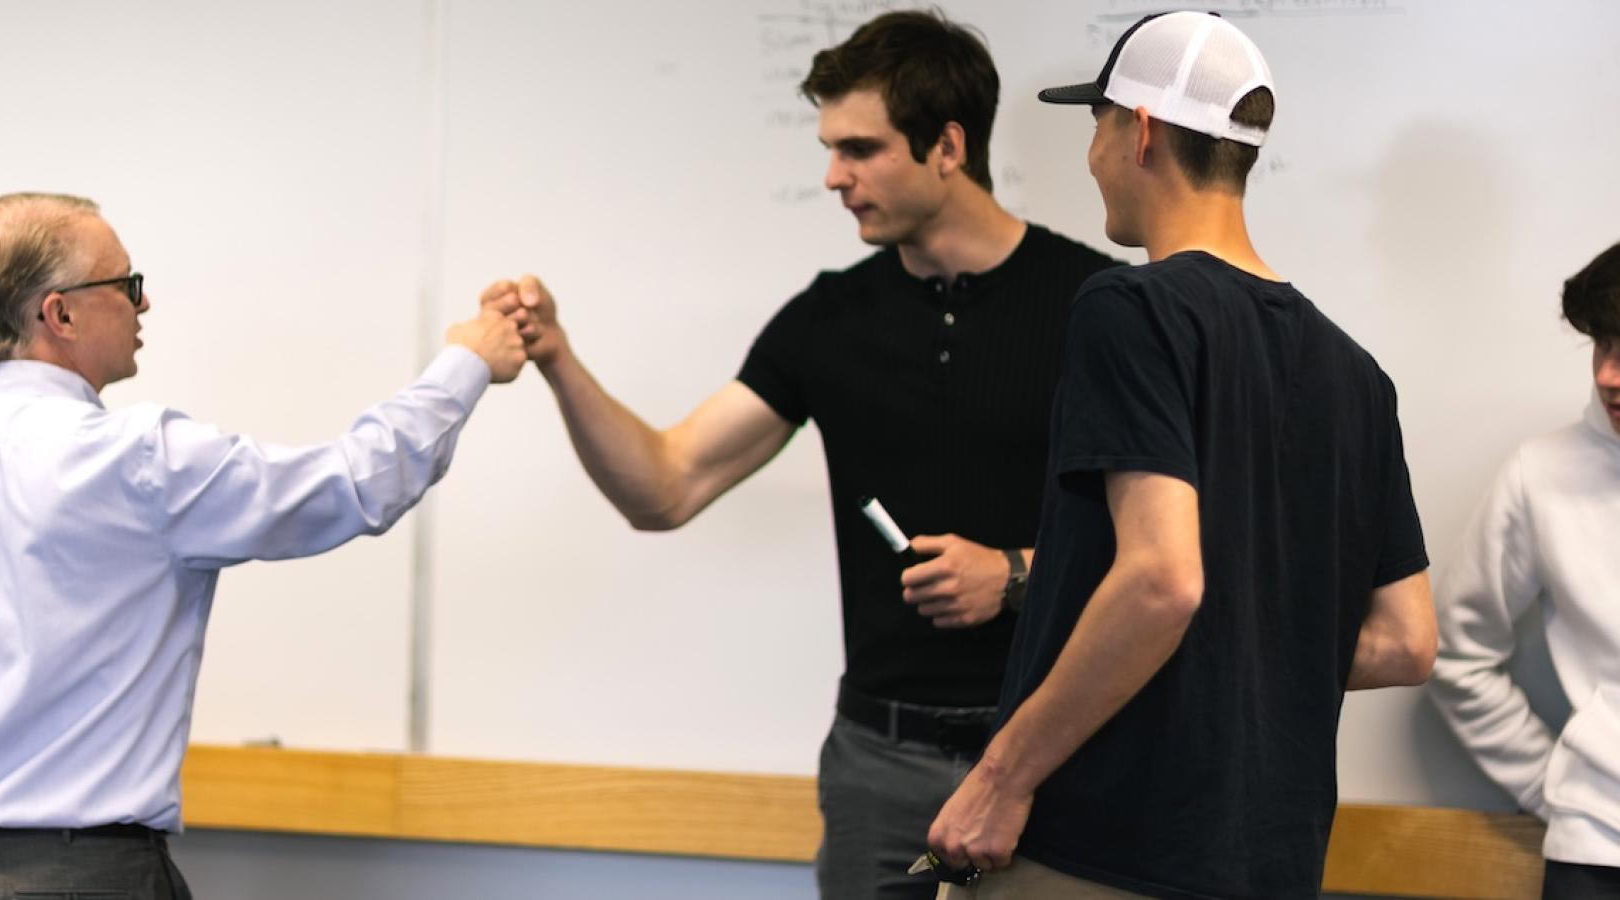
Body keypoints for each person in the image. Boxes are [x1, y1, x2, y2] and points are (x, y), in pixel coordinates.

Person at [490, 11, 1120, 898]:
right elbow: (663, 487)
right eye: (830, 149)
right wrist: (560, 359)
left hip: (1053, 755)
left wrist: (1015, 573)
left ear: (947, 145)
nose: (834, 177)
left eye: (859, 149)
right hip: (878, 763)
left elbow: (1175, 554)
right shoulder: (828, 319)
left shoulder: (1097, 307)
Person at [0, 192, 527, 898]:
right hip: (83, 881)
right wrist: (465, 363)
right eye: (127, 283)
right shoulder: (138, 463)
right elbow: (351, 484)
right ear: (61, 313)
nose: (144, 304)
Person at [926, 12, 1437, 897]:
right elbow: (1403, 641)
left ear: (1143, 130)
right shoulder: (1360, 377)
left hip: (1100, 850)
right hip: (1268, 860)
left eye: (1097, 123)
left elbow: (1163, 580)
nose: (1091, 155)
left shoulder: (1130, 309)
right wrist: (1243, 648)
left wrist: (998, 779)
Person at [1430, 242, 1620, 898]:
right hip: (1598, 853)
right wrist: (1561, 788)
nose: (1609, 377)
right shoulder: (1540, 476)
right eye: (1603, 345)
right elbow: (1455, 656)